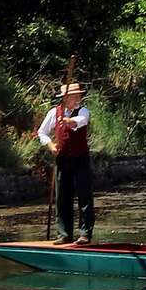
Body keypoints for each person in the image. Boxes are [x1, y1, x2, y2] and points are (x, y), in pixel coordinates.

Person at [34, 81, 96, 240]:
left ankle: (85, 234)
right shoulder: (53, 112)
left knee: (84, 195)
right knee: (62, 197)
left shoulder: (83, 111)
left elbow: (81, 121)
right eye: (73, 97)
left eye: (78, 96)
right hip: (62, 159)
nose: (77, 99)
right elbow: (42, 132)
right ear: (65, 98)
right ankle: (64, 234)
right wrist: (50, 145)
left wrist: (68, 121)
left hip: (80, 158)